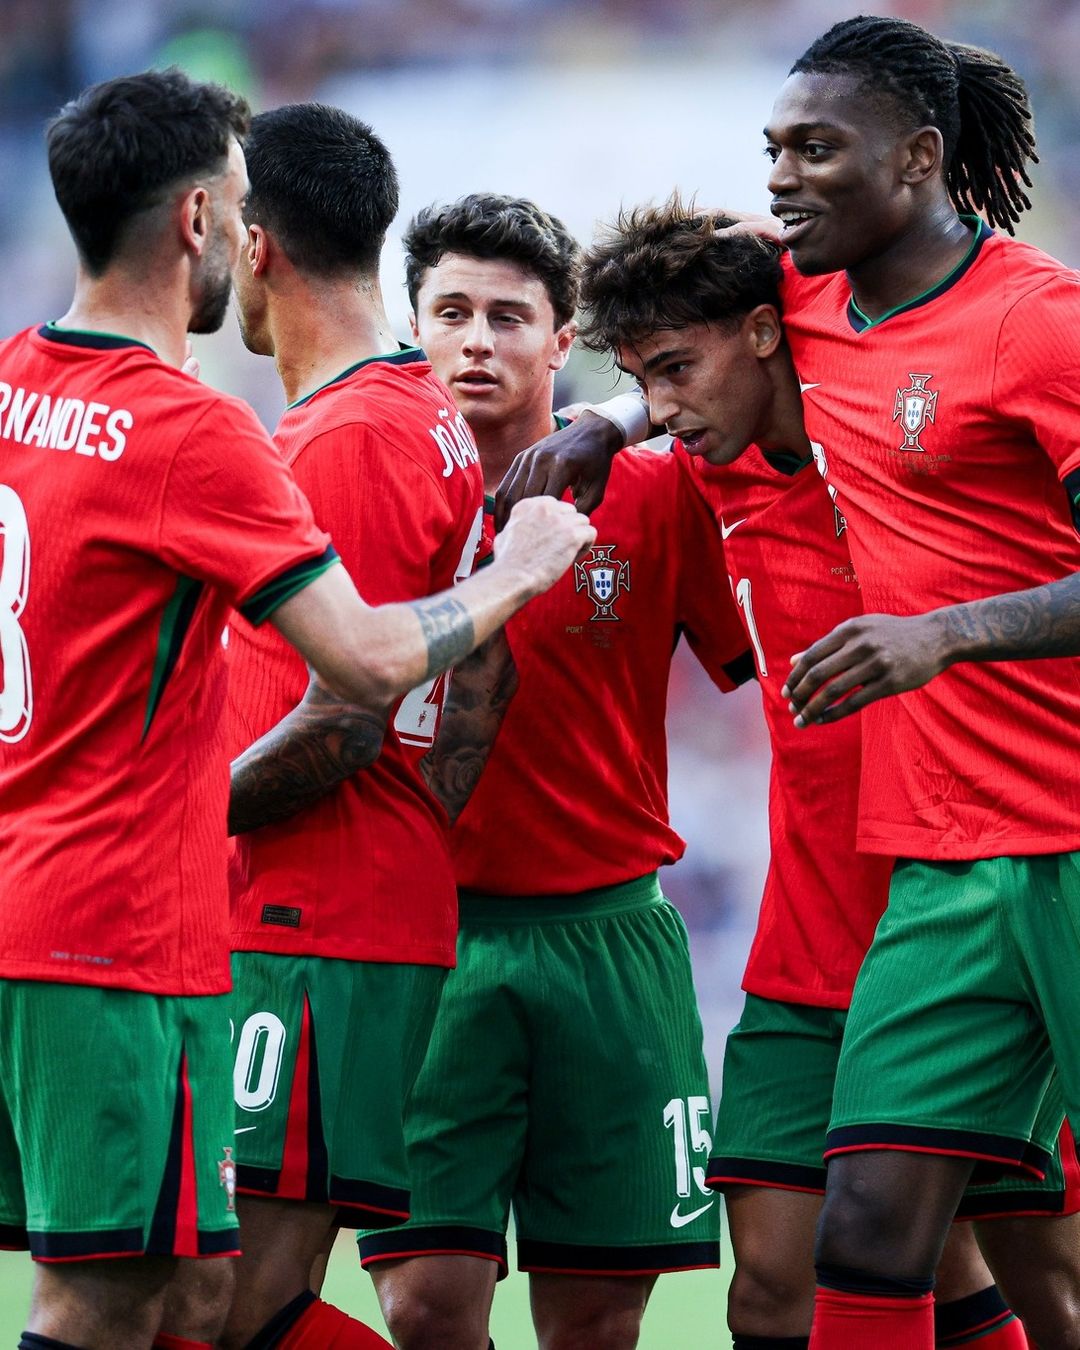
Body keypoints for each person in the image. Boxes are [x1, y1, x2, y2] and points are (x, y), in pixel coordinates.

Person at [501, 16, 1080, 1348]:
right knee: (842, 1246)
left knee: (1029, 1270)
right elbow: (686, 321)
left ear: (918, 157)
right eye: (774, 149)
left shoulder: (1030, 322)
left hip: (1056, 835)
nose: (781, 177)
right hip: (923, 879)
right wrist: (605, 419)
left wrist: (944, 634)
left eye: (815, 148)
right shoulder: (794, 315)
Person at [0, 72, 592, 1350]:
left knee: (198, 1305)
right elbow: (450, 679)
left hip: (280, 914)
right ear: (204, 223)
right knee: (178, 1301)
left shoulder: (321, 434)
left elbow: (354, 704)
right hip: (169, 913)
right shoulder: (341, 424)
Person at [357, 192, 751, 1350]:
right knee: (427, 1309)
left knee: (597, 1319)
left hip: (609, 942)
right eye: (451, 313)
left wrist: (627, 418)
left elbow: (747, 659)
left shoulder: (657, 491)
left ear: (563, 336)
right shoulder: (369, 490)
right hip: (430, 944)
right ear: (412, 327)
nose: (477, 341)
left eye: (509, 316)